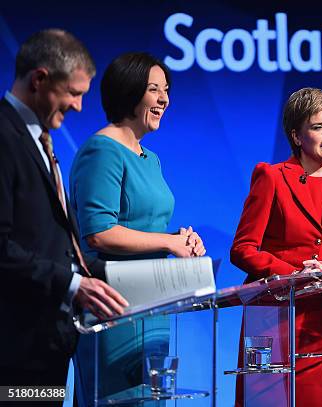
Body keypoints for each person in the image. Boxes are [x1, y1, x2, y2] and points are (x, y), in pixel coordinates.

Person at [69, 52, 205, 402]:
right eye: (154, 89)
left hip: (154, 308)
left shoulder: (150, 158)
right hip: (114, 309)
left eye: (166, 90)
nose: (165, 99)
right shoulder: (102, 151)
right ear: (129, 92)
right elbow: (99, 232)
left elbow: (143, 225)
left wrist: (179, 240)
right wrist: (167, 243)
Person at [0, 29, 128, 396]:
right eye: (74, 93)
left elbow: (49, 239)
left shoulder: (38, 138)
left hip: (47, 343)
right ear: (40, 79)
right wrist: (73, 285)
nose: (78, 107)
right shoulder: (4, 136)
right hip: (14, 349)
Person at [230, 87, 322, 406]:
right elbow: (243, 248)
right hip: (272, 314)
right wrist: (294, 275)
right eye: (319, 127)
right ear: (296, 135)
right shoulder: (272, 177)